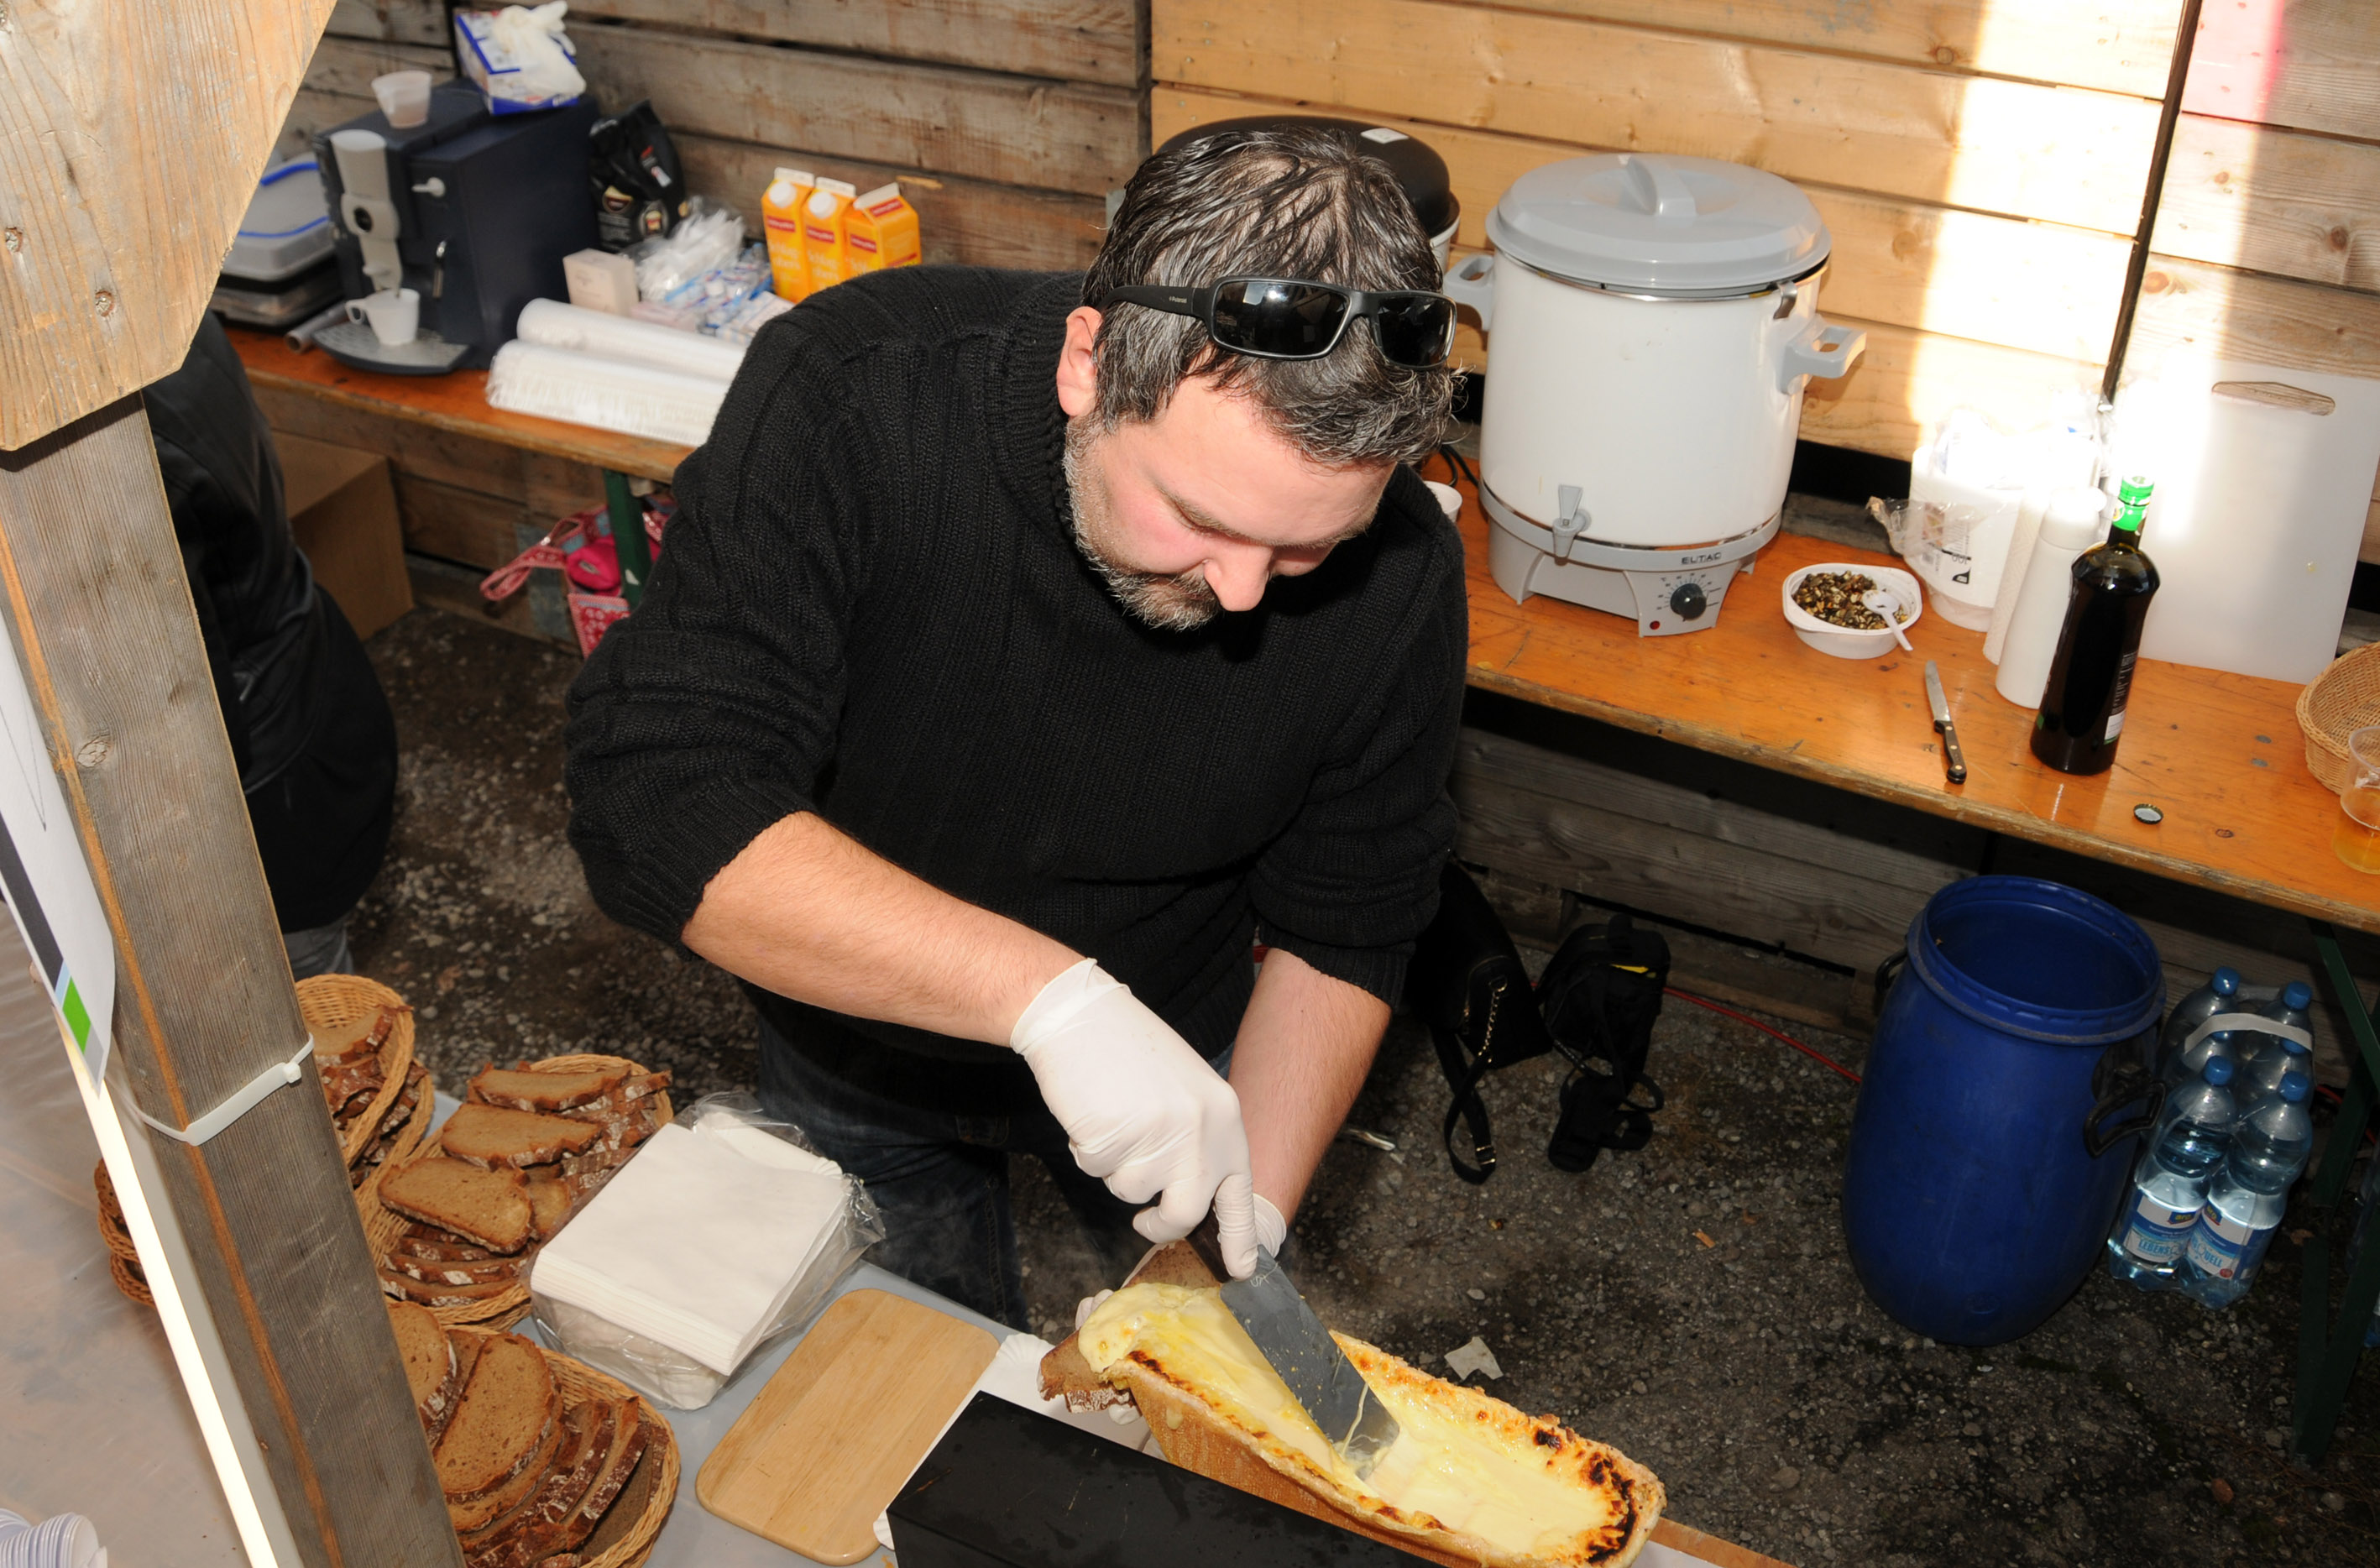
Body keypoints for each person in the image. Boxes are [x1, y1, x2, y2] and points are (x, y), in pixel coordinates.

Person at [564, 127, 1466, 1328]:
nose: (1245, 591)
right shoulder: (852, 393)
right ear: (1087, 364)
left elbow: (1348, 921)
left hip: (1176, 1051)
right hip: (858, 1031)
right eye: (1198, 518)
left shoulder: (1402, 573)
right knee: (905, 1363)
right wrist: (1049, 1003)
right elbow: (656, 798)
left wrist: (1245, 1220)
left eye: (1310, 548)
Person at [144, 313, 400, 979]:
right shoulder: (147, 312)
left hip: (267, 770)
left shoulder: (119, 463)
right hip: (298, 675)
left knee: (307, 1005)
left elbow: (183, 711)